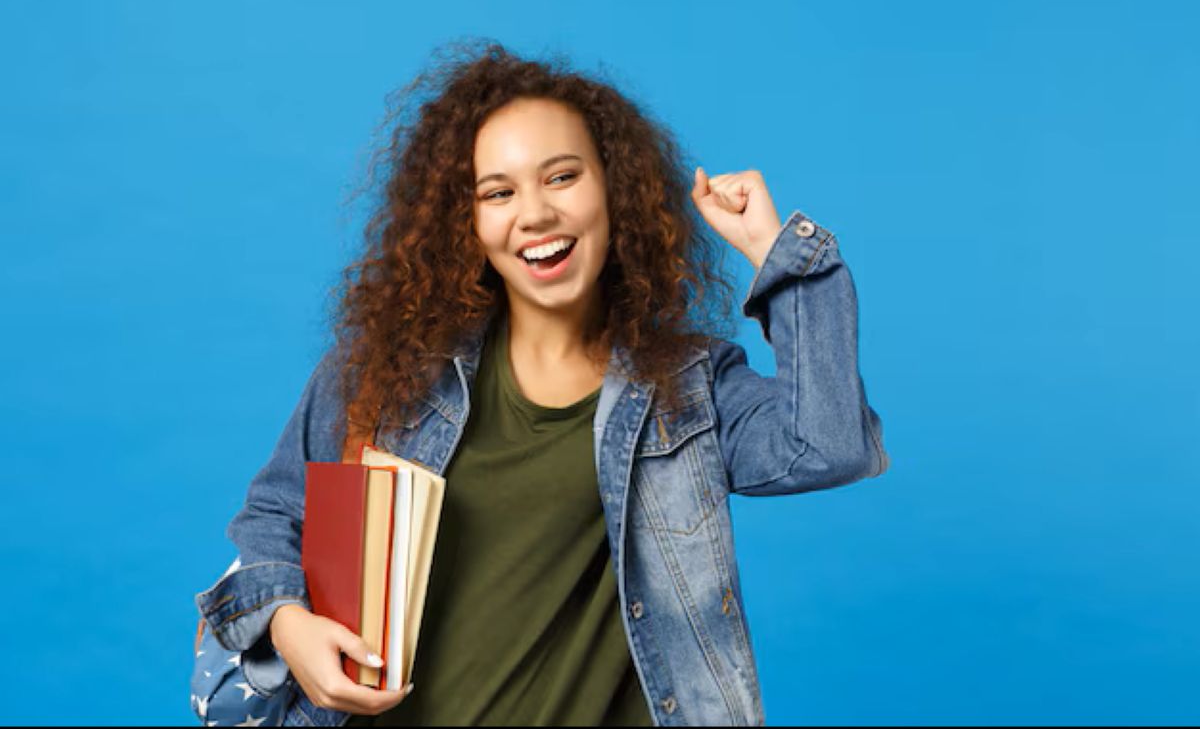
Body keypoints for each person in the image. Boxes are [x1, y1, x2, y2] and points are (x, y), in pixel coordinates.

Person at [194, 41, 890, 727]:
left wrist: (783, 260)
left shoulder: (689, 389)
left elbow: (829, 445)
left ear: (616, 190)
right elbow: (272, 518)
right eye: (498, 192)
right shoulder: (387, 369)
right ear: (465, 221)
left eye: (562, 177)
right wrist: (287, 624)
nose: (535, 214)